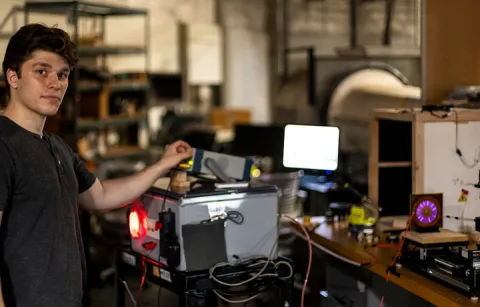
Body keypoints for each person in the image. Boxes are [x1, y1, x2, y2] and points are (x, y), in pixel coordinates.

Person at [0, 24, 193, 307]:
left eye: (62, 74)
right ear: (13, 77)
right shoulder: (4, 144)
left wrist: (162, 165)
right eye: (41, 71)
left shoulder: (56, 146)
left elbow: (100, 195)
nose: (55, 83)